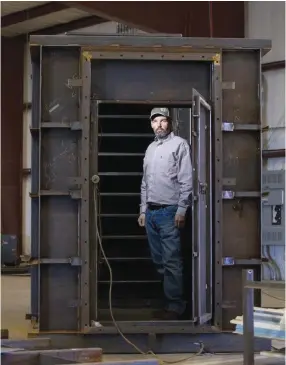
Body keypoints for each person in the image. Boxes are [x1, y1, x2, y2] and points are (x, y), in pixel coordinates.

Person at [138, 107, 193, 320]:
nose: (159, 125)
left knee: (172, 260)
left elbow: (186, 179)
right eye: (155, 121)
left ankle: (176, 306)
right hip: (152, 212)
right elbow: (145, 182)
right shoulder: (150, 148)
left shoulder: (179, 145)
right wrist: (143, 210)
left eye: (163, 121)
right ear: (151, 124)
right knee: (159, 260)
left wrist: (181, 209)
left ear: (169, 123)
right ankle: (173, 300)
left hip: (170, 212)